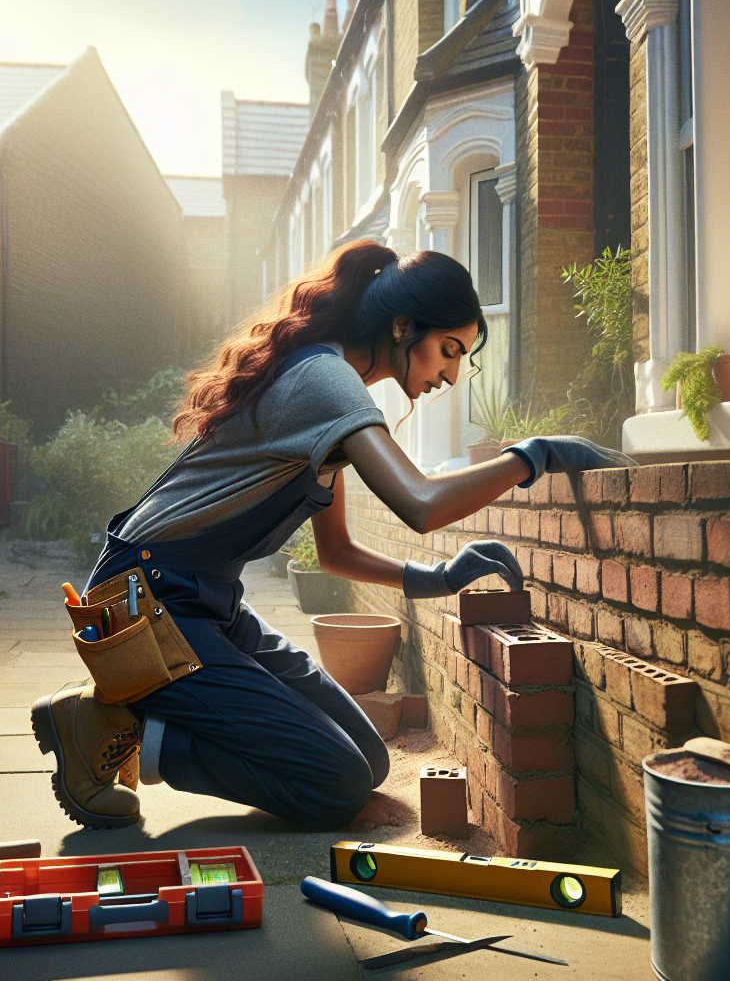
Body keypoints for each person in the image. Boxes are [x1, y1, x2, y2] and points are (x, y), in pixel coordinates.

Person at [31, 240, 635, 830]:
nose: (451, 375)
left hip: (205, 602)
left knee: (368, 760)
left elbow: (335, 550)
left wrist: (437, 578)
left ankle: (141, 714)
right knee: (334, 781)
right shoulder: (325, 378)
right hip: (144, 602)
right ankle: (116, 725)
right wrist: (534, 456)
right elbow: (420, 503)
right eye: (448, 350)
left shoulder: (331, 389)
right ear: (403, 327)